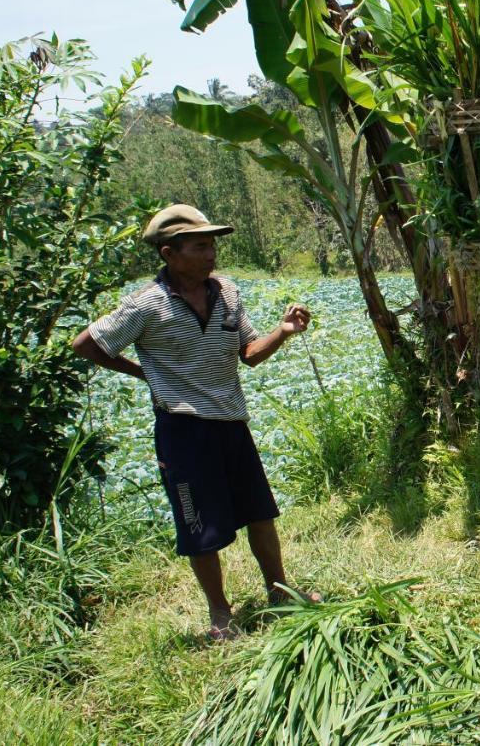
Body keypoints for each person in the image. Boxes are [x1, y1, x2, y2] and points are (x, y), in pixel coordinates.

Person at [72, 204, 318, 640]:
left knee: (260, 513)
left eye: (213, 245)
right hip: (183, 429)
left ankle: (279, 591)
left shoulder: (226, 293)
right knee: (200, 528)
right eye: (200, 247)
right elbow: (87, 344)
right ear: (170, 253)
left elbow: (249, 354)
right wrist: (144, 372)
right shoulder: (146, 305)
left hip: (230, 421)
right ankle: (220, 615)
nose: (211, 255)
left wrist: (282, 332)